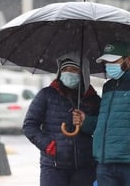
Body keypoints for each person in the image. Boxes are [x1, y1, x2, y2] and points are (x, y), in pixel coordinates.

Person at [73, 41, 130, 186]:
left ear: (128, 60)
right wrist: (85, 121)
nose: (108, 66)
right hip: (105, 166)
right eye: (106, 62)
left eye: (113, 61)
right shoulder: (108, 87)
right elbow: (105, 124)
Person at [23, 53, 101, 186]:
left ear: (83, 74)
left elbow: (101, 128)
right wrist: (48, 145)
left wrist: (85, 121)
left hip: (85, 166)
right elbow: (30, 125)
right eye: (64, 70)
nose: (68, 73)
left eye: (73, 70)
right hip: (53, 166)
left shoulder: (93, 100)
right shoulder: (46, 95)